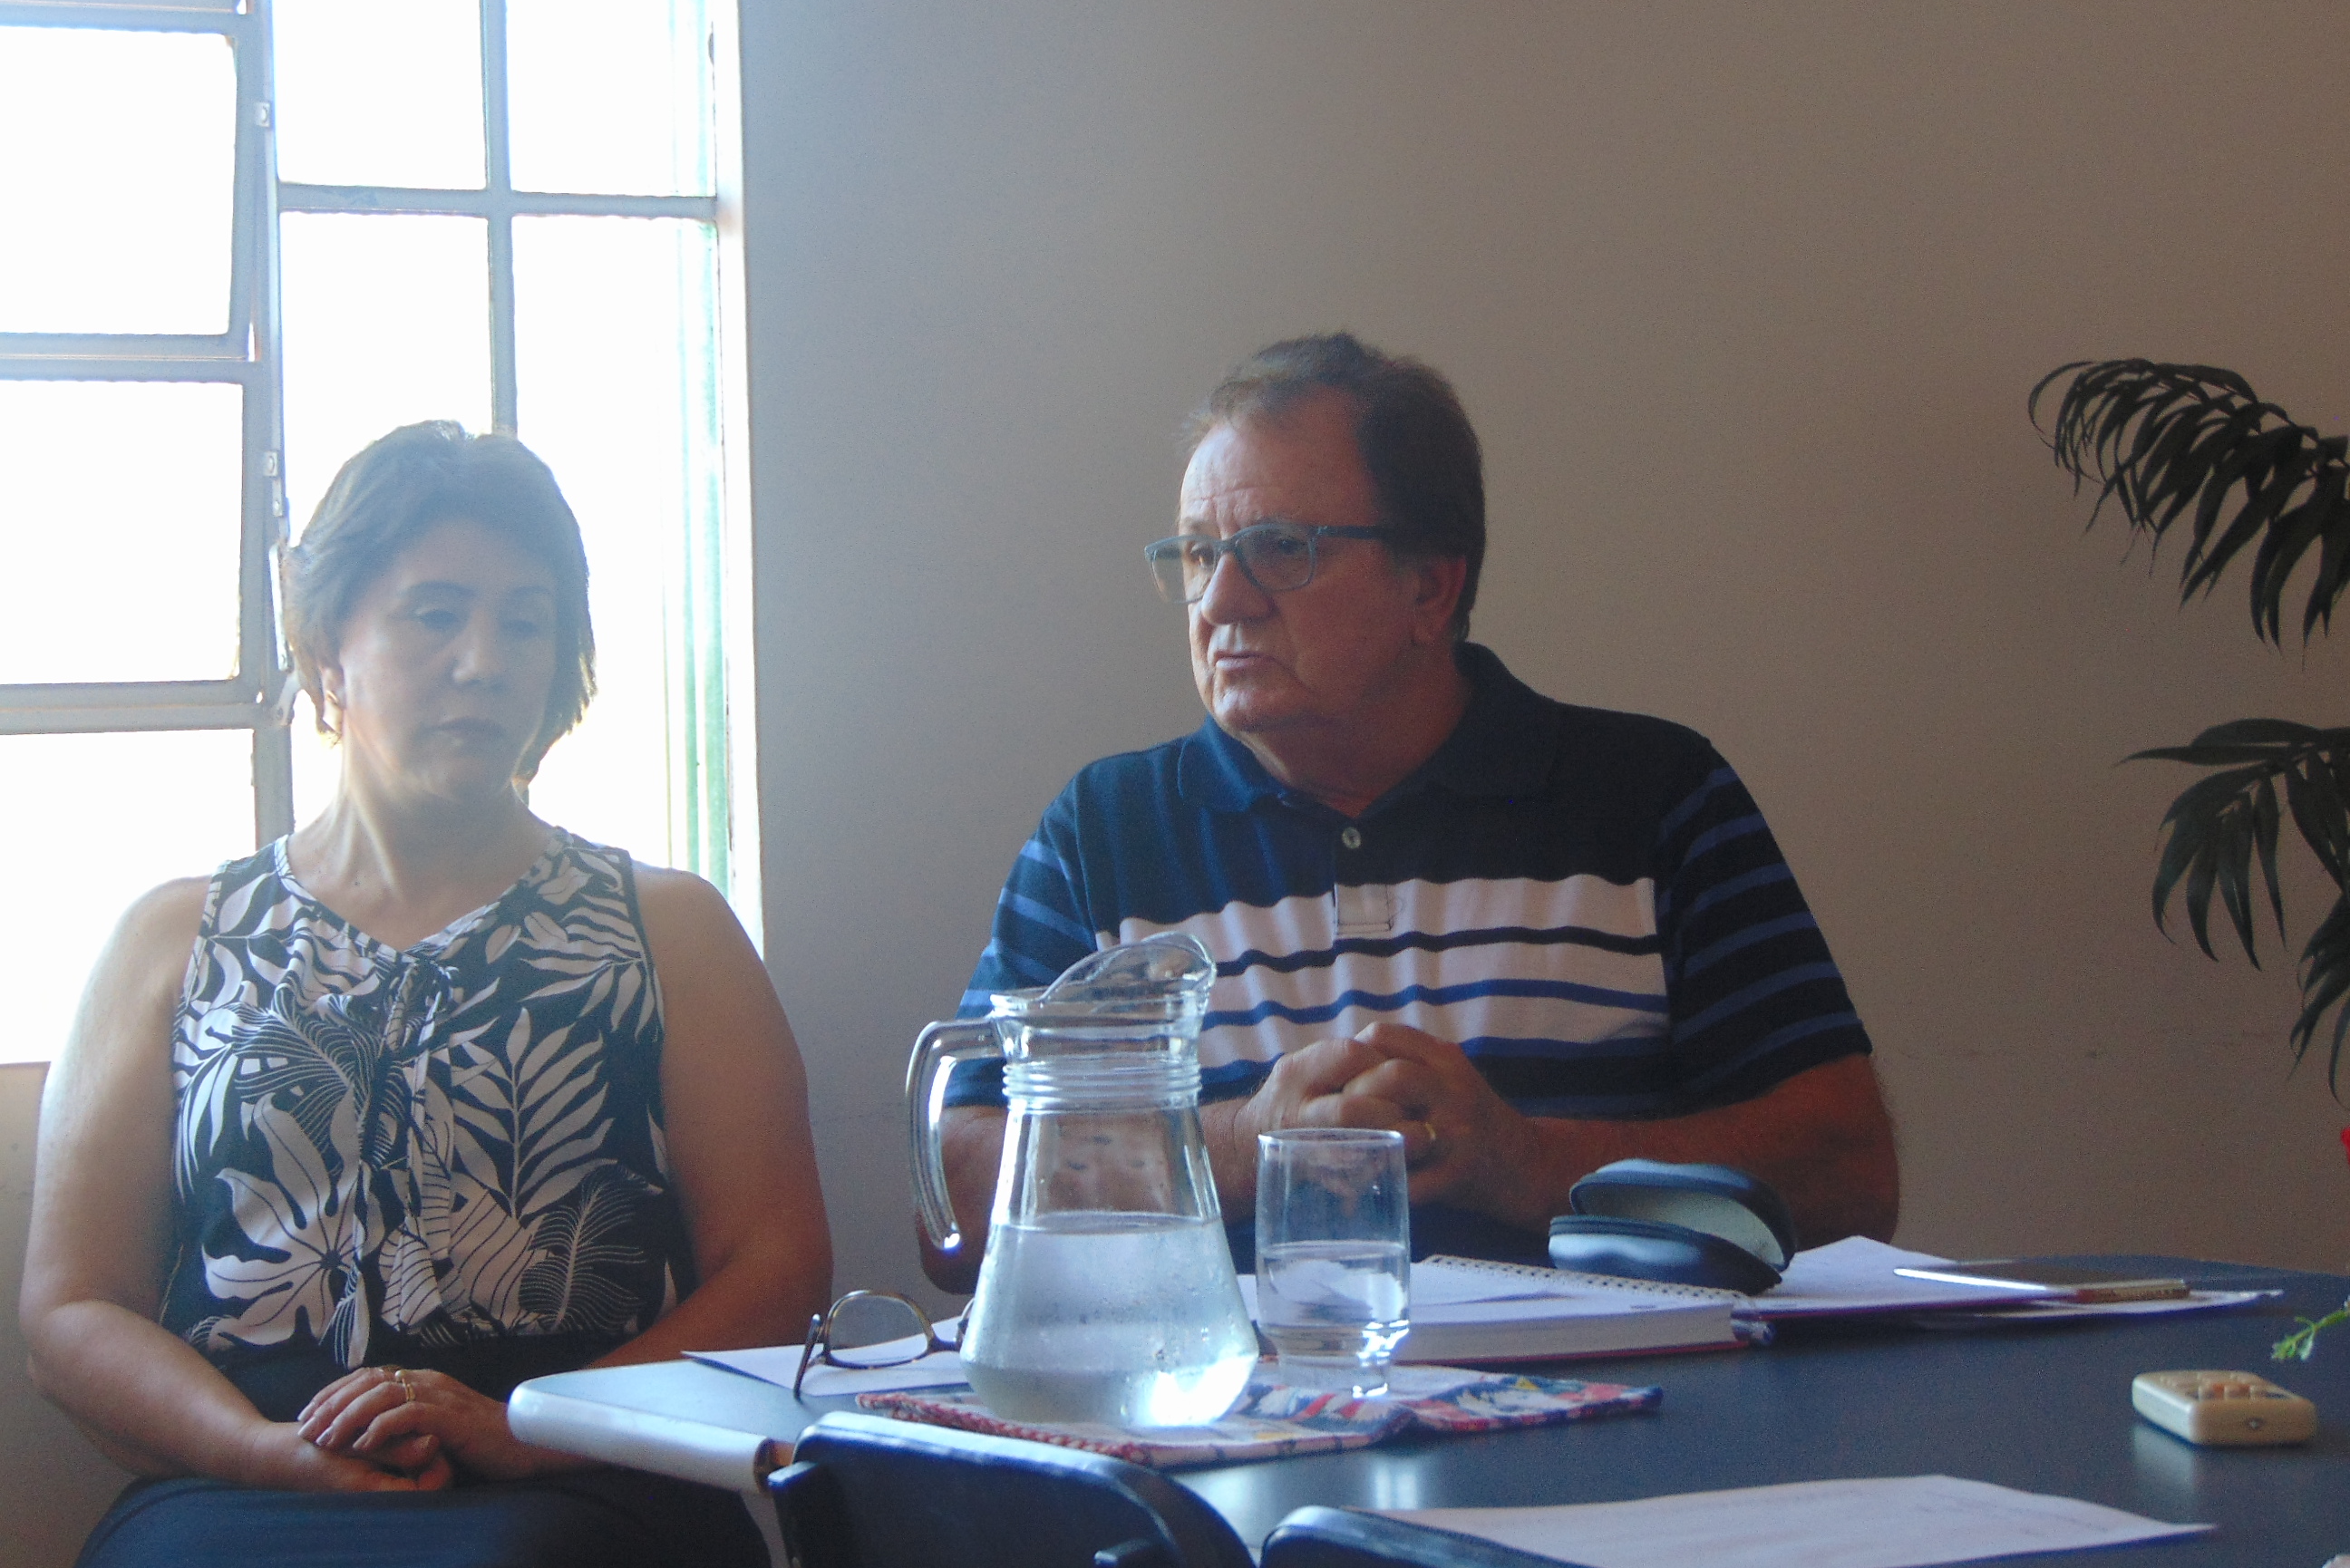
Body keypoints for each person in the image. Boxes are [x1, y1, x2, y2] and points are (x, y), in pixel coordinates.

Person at [22, 422, 831, 1567]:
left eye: (526, 623)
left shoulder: (670, 929)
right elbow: (71, 1310)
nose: (484, 660)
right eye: (435, 614)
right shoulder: (174, 938)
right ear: (326, 650)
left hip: (582, 1472)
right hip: (237, 1476)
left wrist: (525, 1430)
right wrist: (259, 1451)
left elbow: (778, 1267)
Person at [928, 334, 1898, 1284]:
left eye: (1279, 549)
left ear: (1430, 588)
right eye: (1196, 553)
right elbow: (955, 1210)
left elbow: (1851, 1179)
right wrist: (1241, 1147)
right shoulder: (1107, 834)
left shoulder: (1653, 800)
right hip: (1227, 1382)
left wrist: (1524, 1164)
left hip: (1610, 1378)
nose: (1220, 600)